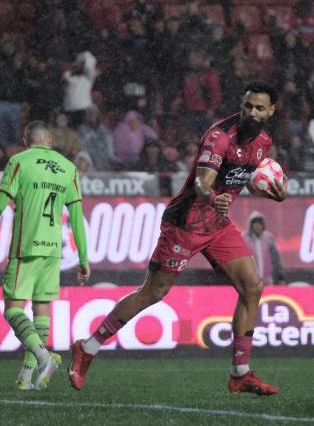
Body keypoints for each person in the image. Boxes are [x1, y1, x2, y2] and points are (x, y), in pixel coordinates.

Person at [69, 81, 287, 396]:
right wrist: (214, 198)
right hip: (185, 222)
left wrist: (271, 192)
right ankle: (87, 347)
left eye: (258, 108)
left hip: (217, 225)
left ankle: (240, 373)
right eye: (247, 106)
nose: (251, 112)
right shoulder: (219, 136)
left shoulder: (264, 142)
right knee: (152, 293)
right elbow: (203, 182)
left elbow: (243, 178)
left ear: (271, 111)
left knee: (253, 286)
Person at [0, 121, 90, 391]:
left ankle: (45, 357)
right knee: (41, 310)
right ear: (51, 141)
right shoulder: (68, 168)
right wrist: (83, 259)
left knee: (13, 309)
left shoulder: (19, 161)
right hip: (53, 250)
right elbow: (77, 216)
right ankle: (27, 376)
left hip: (26, 247)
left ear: (24, 140)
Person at [243, 211, 287, 286]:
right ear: (251, 225)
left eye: (259, 224)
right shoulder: (245, 239)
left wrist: (281, 276)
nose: (257, 226)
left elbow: (276, 259)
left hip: (267, 280)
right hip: (250, 282)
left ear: (263, 225)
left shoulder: (268, 238)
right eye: (255, 224)